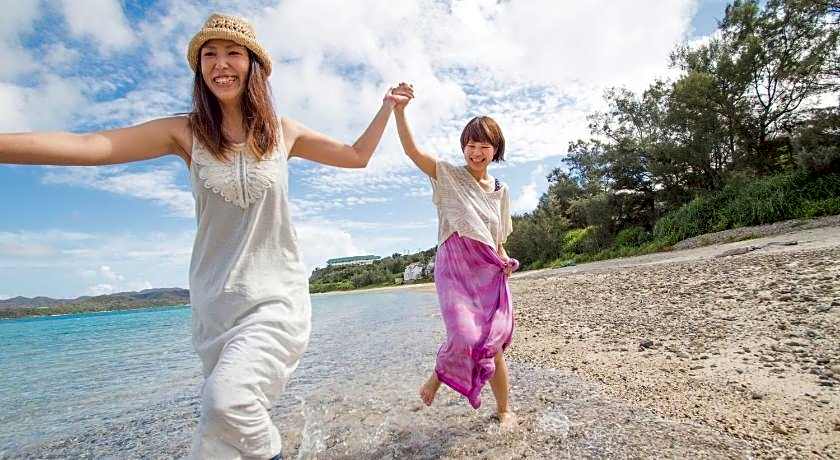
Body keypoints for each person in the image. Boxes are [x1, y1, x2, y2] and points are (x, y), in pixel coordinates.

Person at [0, 13, 411, 460]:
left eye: (233, 52)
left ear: (254, 64)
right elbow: (92, 146)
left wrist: (387, 107)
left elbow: (356, 156)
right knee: (219, 440)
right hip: (215, 309)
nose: (221, 63)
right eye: (209, 55)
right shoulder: (185, 132)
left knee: (227, 402)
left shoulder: (282, 131)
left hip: (276, 299)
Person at [391, 83, 519, 428]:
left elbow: (497, 237)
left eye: (483, 146)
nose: (475, 152)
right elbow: (411, 151)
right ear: (464, 147)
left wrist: (505, 262)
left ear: (496, 150)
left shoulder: (501, 190)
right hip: (454, 267)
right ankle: (441, 373)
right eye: (470, 145)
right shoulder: (448, 176)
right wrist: (399, 112)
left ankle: (505, 410)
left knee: (491, 342)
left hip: (488, 271)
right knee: (464, 335)